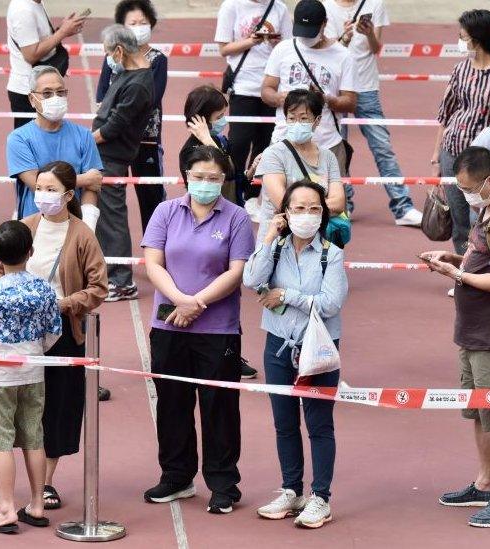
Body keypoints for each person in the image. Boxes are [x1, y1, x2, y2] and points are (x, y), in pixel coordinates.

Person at [0, 161, 106, 511]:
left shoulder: (82, 235)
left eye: (51, 190)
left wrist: (61, 304)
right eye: (39, 188)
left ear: (68, 195)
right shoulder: (23, 227)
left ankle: (45, 485)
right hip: (15, 335)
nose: (43, 195)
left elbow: (98, 288)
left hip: (60, 332)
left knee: (54, 410)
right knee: (0, 405)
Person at [141, 145, 254, 514]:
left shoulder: (236, 218)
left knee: (219, 405)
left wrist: (197, 303)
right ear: (186, 176)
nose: (206, 183)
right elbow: (154, 263)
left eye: (214, 177)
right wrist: (179, 301)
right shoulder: (165, 212)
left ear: (224, 179)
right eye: (199, 176)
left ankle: (224, 483)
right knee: (172, 402)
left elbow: (237, 271)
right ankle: (176, 476)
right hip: (168, 323)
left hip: (217, 330)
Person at [243, 180, 348, 529]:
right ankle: (291, 490)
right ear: (285, 213)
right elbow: (250, 279)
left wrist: (285, 294)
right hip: (277, 345)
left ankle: (321, 497)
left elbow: (331, 304)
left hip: (317, 349)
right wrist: (267, 235)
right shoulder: (275, 249)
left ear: (323, 214)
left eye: (314, 209)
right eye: (298, 208)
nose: (306, 215)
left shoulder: (331, 254)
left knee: (318, 424)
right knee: (284, 422)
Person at [0, 220, 62, 534]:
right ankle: (36, 504)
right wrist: (35, 350)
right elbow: (53, 331)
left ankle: (5, 509)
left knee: (0, 441)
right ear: (30, 252)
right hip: (33, 370)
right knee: (34, 437)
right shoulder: (44, 287)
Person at [421, 146, 490, 529]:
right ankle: (487, 482)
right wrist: (456, 261)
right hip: (472, 331)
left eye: (469, 189)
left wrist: (458, 277)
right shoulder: (487, 211)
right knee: (479, 411)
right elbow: (481, 258)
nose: (465, 196)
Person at [323, 0, 422, 227]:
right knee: (338, 149)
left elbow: (376, 48)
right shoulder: (326, 6)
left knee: (382, 147)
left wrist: (368, 34)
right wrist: (344, 38)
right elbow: (324, 48)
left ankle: (402, 207)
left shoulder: (374, 4)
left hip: (366, 88)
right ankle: (343, 204)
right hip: (337, 89)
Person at [261, 0, 357, 189]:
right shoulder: (283, 49)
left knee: (331, 206)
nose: (305, 38)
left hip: (327, 144)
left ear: (324, 24)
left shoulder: (343, 56)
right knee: (279, 205)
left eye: (310, 32)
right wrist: (284, 98)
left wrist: (326, 99)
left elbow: (351, 102)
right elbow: (266, 91)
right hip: (284, 140)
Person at [92, 24, 154, 302]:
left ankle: (121, 281)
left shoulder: (139, 83)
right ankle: (107, 272)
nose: (107, 58)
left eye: (108, 52)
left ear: (119, 50)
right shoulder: (128, 73)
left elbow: (114, 126)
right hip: (104, 155)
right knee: (104, 218)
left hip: (112, 157)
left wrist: (84, 141)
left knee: (112, 220)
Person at [432, 9, 490, 260]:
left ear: (477, 39)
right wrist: (436, 155)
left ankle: (484, 269)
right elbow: (445, 114)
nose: (460, 40)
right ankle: (462, 270)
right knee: (459, 217)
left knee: (480, 217)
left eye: (463, 36)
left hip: (484, 159)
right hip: (452, 151)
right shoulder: (460, 69)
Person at [96, 0, 167, 230]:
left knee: (150, 196)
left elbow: (151, 99)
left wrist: (117, 116)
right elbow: (102, 95)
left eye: (142, 22)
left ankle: (155, 249)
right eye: (132, 23)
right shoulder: (113, 58)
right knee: (110, 196)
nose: (138, 26)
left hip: (144, 137)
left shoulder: (157, 60)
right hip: (113, 140)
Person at [215, 0, 291, 211]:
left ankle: (251, 196)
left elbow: (289, 45)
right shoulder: (232, 6)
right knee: (238, 143)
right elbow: (224, 49)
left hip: (272, 86)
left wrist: (275, 41)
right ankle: (231, 192)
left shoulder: (279, 8)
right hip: (243, 86)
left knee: (265, 144)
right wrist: (251, 41)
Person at [7, 66, 103, 227]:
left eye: (60, 92)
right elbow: (37, 183)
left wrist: (87, 224)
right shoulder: (18, 139)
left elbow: (93, 186)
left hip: (74, 226)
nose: (55, 98)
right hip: (34, 227)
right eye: (47, 93)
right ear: (32, 99)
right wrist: (84, 179)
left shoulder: (84, 136)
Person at [254, 90, 346, 241]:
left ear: (317, 120)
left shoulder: (328, 157)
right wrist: (317, 208)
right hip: (278, 240)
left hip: (317, 241)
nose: (297, 124)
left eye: (304, 119)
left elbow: (339, 202)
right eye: (291, 118)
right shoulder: (274, 154)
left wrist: (300, 208)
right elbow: (282, 203)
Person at [6, 0, 86, 128]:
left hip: (41, 88)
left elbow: (40, 39)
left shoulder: (36, 3)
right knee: (30, 143)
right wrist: (62, 32)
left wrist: (63, 29)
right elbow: (31, 54)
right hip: (28, 91)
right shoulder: (23, 10)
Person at [178, 84, 236, 203]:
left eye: (223, 115)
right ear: (202, 119)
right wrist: (208, 142)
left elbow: (235, 174)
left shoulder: (219, 140)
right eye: (219, 116)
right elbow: (228, 172)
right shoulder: (189, 151)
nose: (223, 120)